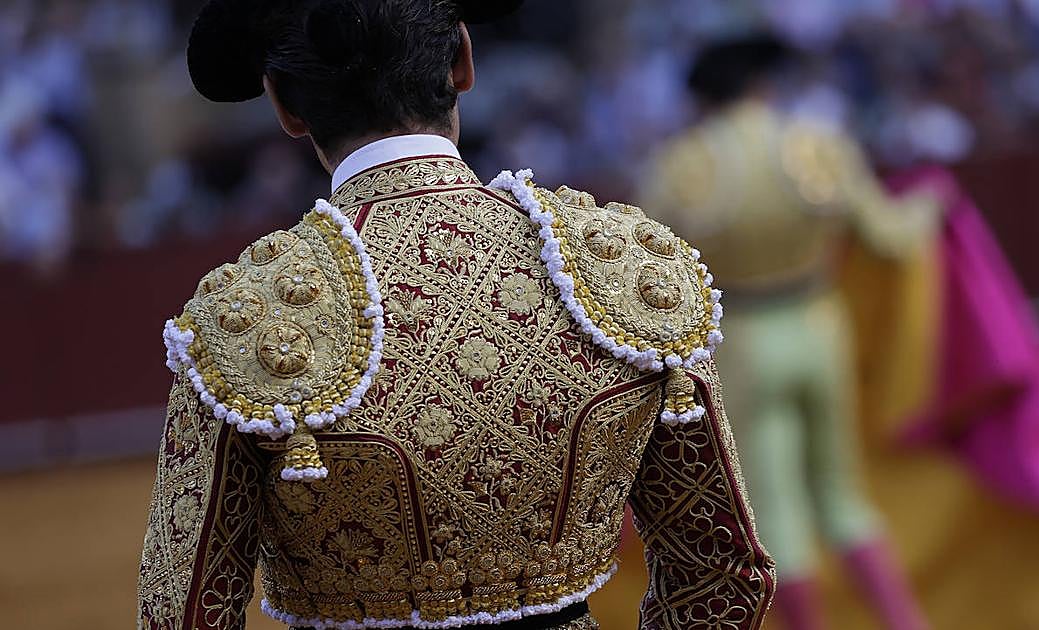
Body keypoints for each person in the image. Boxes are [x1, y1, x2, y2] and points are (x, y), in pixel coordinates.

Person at [135, 2, 776, 629]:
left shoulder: (244, 318)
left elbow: (182, 613)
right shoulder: (619, 268)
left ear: (284, 106)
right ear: (464, 61)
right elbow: (722, 572)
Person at [639, 35, 938, 630]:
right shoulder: (819, 145)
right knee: (842, 495)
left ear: (702, 100)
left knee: (773, 509)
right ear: (763, 87)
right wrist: (933, 205)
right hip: (819, 325)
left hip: (742, 342)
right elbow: (888, 237)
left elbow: (648, 275)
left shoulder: (677, 165)